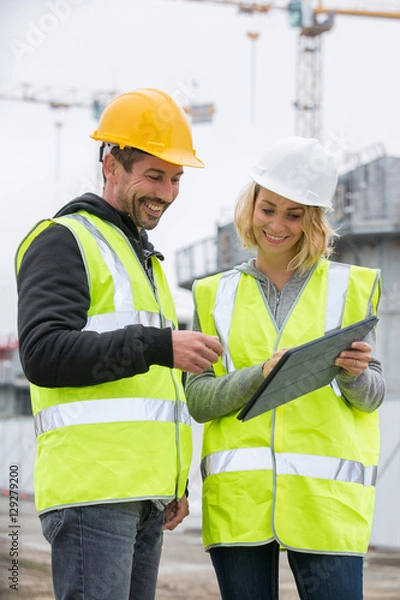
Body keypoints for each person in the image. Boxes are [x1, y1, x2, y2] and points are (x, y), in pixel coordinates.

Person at [15, 88, 223, 600]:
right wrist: (159, 345)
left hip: (143, 496)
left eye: (175, 179)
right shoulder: (63, 240)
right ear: (111, 165)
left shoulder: (144, 258)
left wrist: (172, 482)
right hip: (93, 493)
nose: (168, 193)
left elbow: (152, 394)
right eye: (154, 176)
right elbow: (42, 354)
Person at [185, 136, 385, 600]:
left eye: (294, 214)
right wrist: (258, 376)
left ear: (313, 219)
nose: (277, 225)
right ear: (250, 203)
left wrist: (354, 376)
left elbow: (373, 393)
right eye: (268, 208)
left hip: (325, 505)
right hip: (240, 502)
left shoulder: (350, 287)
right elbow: (197, 399)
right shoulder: (213, 294)